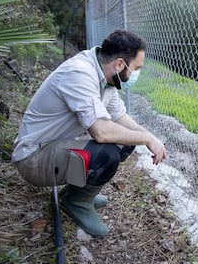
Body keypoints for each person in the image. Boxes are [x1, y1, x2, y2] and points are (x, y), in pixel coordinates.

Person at [12, 30, 167, 237]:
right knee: (105, 151)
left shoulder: (107, 77)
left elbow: (120, 116)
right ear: (120, 64)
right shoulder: (79, 73)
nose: (136, 74)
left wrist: (152, 138)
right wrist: (147, 138)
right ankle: (77, 202)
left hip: (56, 147)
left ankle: (77, 193)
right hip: (34, 158)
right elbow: (101, 132)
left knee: (126, 138)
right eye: (136, 68)